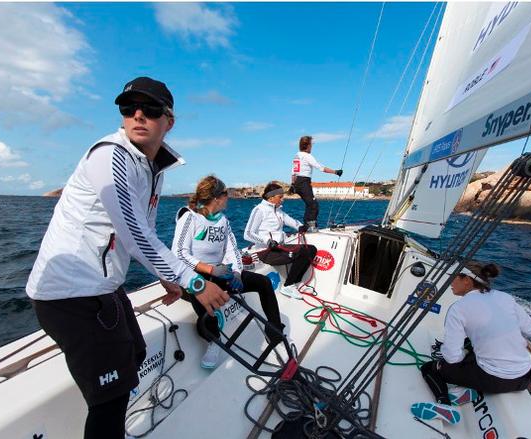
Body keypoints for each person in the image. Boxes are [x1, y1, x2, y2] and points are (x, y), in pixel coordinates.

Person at [26, 77, 229, 439]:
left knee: (135, 352)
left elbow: (142, 231)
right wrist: (192, 281)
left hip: (103, 287)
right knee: (110, 400)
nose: (138, 115)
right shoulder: (111, 156)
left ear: (169, 121)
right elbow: (136, 234)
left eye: (150, 110)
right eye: (128, 108)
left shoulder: (153, 168)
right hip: (69, 295)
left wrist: (168, 277)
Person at [171, 175, 286, 369]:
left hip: (220, 273)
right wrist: (210, 269)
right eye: (226, 194)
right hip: (193, 277)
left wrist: (237, 274)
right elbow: (178, 253)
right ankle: (214, 343)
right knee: (208, 306)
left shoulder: (223, 221)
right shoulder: (190, 217)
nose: (228, 197)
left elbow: (232, 249)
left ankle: (274, 331)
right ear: (217, 197)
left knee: (263, 283)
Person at [411, 262, 531, 425]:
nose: (450, 282)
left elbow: (452, 358)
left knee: (430, 368)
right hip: (525, 377)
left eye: (453, 277)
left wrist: (461, 353)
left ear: (467, 281)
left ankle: (444, 405)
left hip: (496, 380)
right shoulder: (505, 297)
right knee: (471, 347)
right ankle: (466, 391)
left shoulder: (459, 308)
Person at [244, 182, 318, 300]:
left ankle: (297, 283)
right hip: (266, 251)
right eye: (280, 197)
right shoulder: (259, 210)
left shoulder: (278, 210)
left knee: (311, 249)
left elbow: (289, 220)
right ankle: (287, 286)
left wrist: (299, 226)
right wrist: (267, 241)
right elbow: (247, 234)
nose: (282, 200)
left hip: (278, 248)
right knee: (302, 252)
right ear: (271, 197)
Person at [291, 135, 343, 230]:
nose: (312, 146)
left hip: (298, 182)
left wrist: (293, 184)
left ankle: (306, 226)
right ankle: (310, 227)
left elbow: (294, 172)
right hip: (304, 182)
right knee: (313, 205)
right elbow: (320, 167)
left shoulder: (297, 155)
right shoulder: (307, 156)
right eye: (312, 144)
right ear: (308, 145)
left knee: (309, 204)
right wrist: (336, 172)